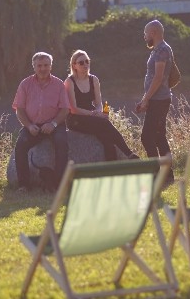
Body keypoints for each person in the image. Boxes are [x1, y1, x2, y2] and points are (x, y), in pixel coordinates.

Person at [64, 50, 138, 161]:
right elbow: (73, 109)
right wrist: (93, 114)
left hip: (92, 116)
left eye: (87, 61)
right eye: (81, 63)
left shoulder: (94, 79)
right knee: (105, 125)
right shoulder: (69, 82)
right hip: (76, 118)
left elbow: (99, 103)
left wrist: (100, 112)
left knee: (106, 137)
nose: (85, 64)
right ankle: (128, 153)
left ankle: (111, 165)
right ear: (74, 65)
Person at [12, 52, 70, 192]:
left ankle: (58, 184)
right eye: (39, 66)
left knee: (62, 143)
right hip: (33, 125)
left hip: (55, 124)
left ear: (51, 66)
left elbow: (65, 109)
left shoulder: (59, 84)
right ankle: (24, 185)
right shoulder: (25, 84)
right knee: (20, 146)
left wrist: (53, 124)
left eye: (46, 65)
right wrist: (29, 126)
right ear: (34, 67)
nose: (43, 68)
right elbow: (19, 109)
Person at [135, 19, 175, 182]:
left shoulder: (161, 51)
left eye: (146, 33)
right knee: (159, 136)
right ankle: (167, 174)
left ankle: (158, 173)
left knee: (147, 137)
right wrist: (147, 99)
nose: (144, 36)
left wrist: (146, 98)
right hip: (157, 99)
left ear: (153, 33)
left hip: (159, 99)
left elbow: (158, 78)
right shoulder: (158, 50)